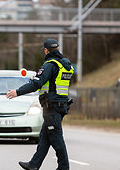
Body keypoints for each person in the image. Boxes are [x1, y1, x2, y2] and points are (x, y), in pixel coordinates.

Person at [6, 39, 74, 170]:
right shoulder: (65, 65)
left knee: (56, 137)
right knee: (45, 137)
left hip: (51, 106)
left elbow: (36, 84)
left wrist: (17, 92)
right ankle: (34, 164)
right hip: (60, 105)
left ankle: (64, 167)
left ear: (46, 50)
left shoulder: (50, 65)